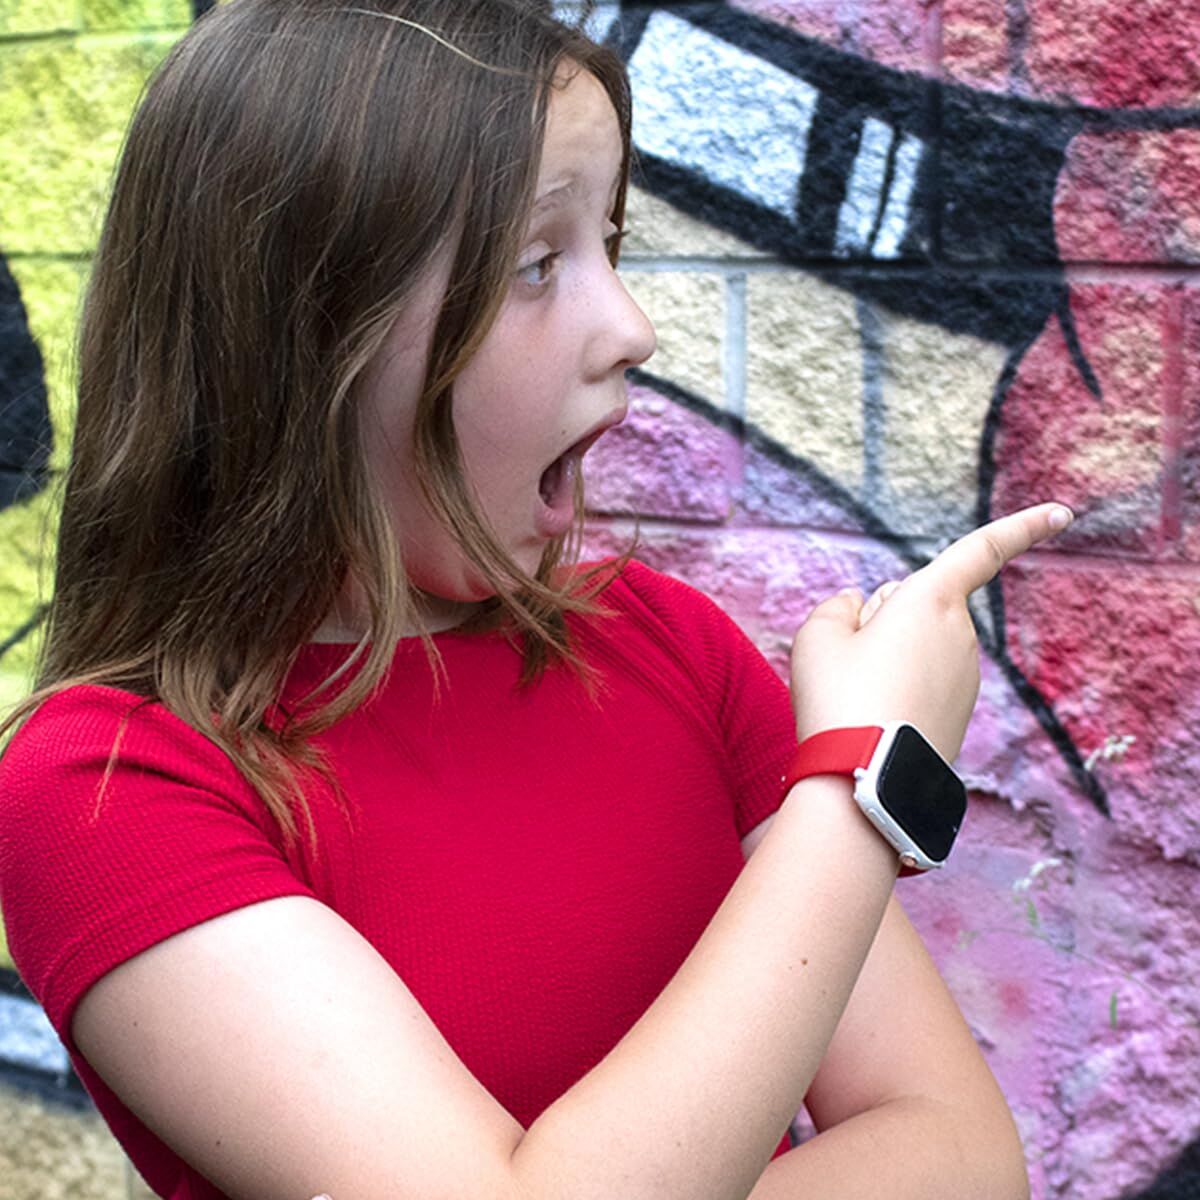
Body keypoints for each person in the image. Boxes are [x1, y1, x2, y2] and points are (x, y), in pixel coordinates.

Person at [0, 2, 1068, 1198]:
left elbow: (961, 1154)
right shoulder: (112, 789)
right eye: (536, 265)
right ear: (308, 333)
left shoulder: (672, 648)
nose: (632, 329)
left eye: (608, 245)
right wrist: (864, 789)